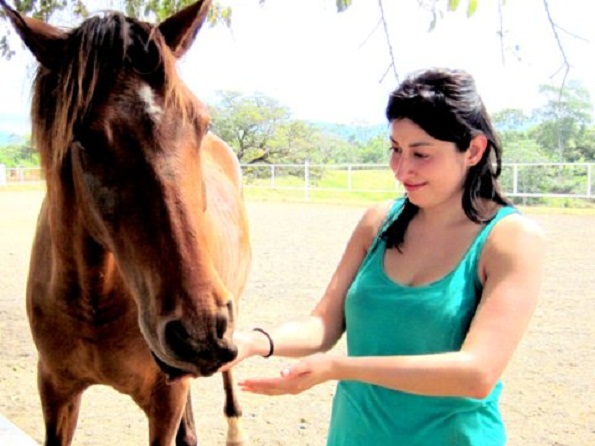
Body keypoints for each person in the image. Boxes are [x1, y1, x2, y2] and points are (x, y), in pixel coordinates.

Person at [222, 68, 545, 445]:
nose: (401, 169)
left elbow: (477, 373)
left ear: (473, 150)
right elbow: (323, 325)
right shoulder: (378, 222)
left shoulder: (511, 238)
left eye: (421, 154)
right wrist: (252, 342)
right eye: (395, 149)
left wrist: (339, 368)